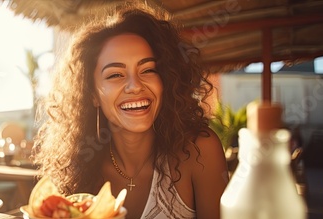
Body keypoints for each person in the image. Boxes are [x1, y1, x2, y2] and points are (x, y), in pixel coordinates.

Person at [32, 2, 228, 219]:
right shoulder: (79, 166)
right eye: (115, 75)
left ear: (165, 80)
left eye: (148, 70)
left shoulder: (199, 152)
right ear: (93, 95)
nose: (135, 86)